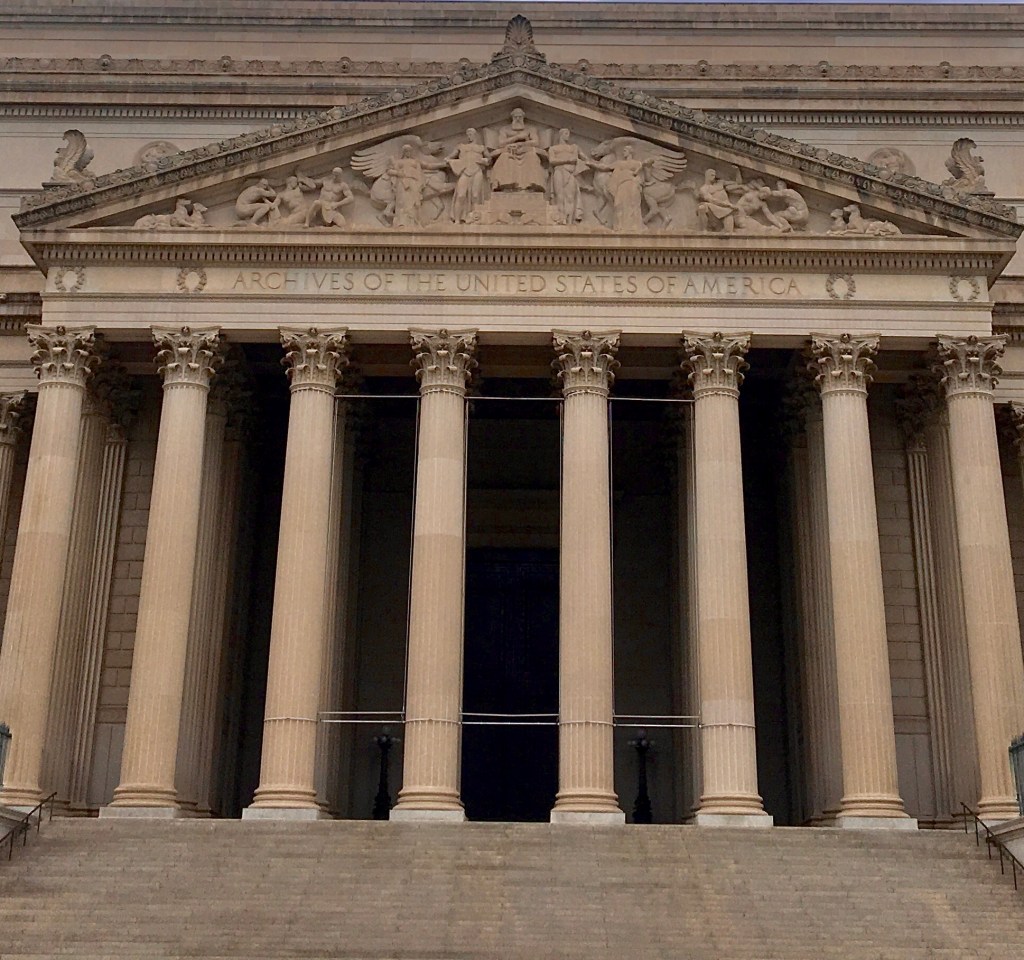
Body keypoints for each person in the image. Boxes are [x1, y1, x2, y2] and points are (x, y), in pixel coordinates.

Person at [488, 108, 546, 192]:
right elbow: (501, 143)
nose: (518, 119)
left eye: (520, 117)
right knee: (505, 157)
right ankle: (506, 184)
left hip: (526, 151)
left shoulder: (530, 129)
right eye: (515, 117)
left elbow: (536, 142)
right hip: (509, 151)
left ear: (523, 117)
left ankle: (531, 184)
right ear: (512, 118)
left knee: (532, 157)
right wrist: (517, 137)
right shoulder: (505, 129)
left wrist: (522, 144)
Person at [446, 129, 490, 223]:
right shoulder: (461, 146)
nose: (469, 136)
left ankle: (474, 219)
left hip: (477, 171)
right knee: (460, 195)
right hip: (464, 171)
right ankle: (457, 220)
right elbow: (449, 157)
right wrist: (451, 162)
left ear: (475, 135)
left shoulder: (481, 148)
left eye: (471, 134)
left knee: (475, 195)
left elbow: (489, 159)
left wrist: (485, 160)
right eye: (468, 134)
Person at [546, 128, 586, 225]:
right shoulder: (553, 148)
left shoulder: (573, 147)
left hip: (570, 173)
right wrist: (568, 160)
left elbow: (583, 158)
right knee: (559, 197)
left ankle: (570, 221)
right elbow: (552, 160)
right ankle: (561, 219)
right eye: (566, 133)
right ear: (561, 135)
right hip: (558, 171)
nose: (568, 135)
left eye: (568, 133)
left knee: (570, 197)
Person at [696, 168, 736, 233]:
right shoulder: (703, 189)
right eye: (712, 175)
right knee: (702, 207)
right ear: (707, 176)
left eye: (714, 175)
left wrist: (737, 171)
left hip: (726, 210)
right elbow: (712, 200)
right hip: (714, 209)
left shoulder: (720, 183)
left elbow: (737, 183)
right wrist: (728, 205)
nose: (714, 177)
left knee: (729, 231)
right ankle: (704, 231)